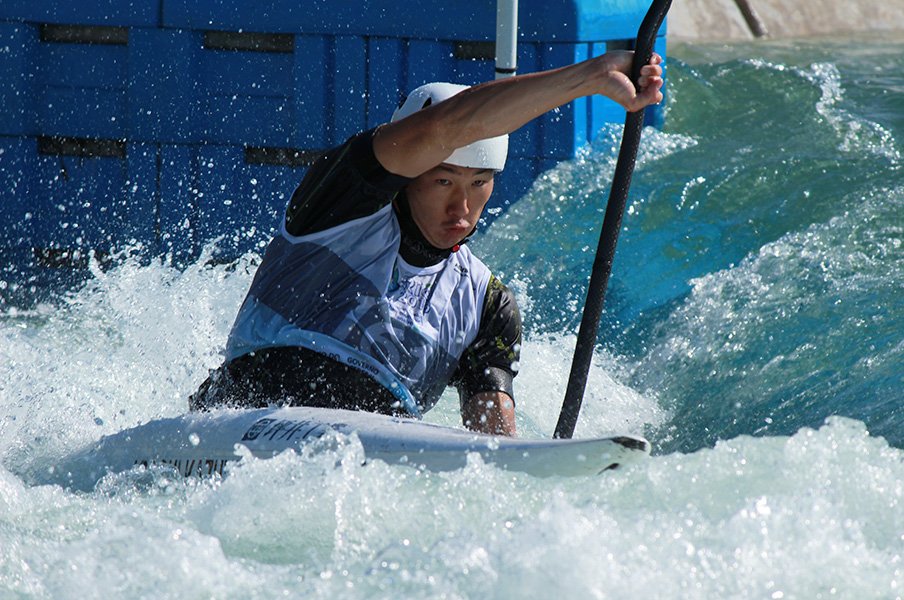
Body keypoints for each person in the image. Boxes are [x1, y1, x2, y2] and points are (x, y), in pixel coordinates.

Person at [189, 50, 664, 436]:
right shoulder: (340, 203)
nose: (461, 207)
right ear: (408, 176)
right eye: (443, 182)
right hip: (236, 417)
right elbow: (442, 129)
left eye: (480, 183)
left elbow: (491, 440)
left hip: (362, 462)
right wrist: (591, 76)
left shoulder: (485, 304)